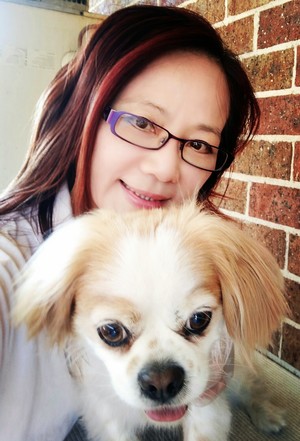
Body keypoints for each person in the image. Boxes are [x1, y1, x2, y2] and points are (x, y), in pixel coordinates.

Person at [0, 5, 260, 441]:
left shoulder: (201, 245)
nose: (165, 168)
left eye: (199, 143)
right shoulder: (16, 251)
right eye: (141, 122)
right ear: (82, 112)